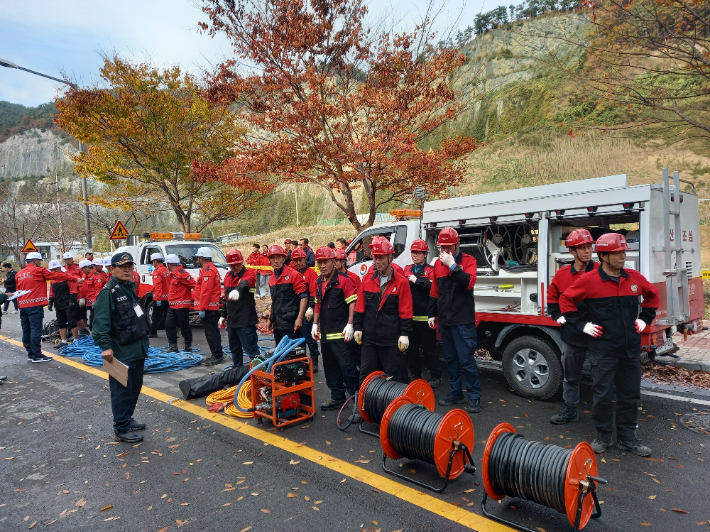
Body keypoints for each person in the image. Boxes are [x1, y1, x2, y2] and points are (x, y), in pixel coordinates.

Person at [560, 232, 659, 456]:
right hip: (603, 351)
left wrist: (645, 319)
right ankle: (604, 435)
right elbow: (565, 300)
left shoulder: (634, 278)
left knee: (630, 395)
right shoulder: (589, 280)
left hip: (630, 350)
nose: (623, 256)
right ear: (603, 255)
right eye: (617, 253)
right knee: (603, 395)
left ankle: (627, 438)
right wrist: (581, 324)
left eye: (624, 252)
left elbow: (652, 296)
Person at [93, 251, 149, 443]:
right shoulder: (108, 293)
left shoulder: (128, 289)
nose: (127, 270)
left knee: (135, 386)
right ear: (112, 269)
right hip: (119, 351)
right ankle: (121, 427)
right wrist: (105, 346)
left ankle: (127, 417)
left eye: (130, 267)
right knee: (121, 390)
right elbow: (100, 323)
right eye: (122, 267)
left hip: (136, 349)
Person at [428, 227, 482, 414]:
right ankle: (456, 392)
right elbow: (435, 291)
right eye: (443, 247)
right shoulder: (437, 265)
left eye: (449, 246)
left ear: (457, 244)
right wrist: (431, 314)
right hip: (446, 320)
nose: (445, 250)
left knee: (466, 359)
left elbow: (469, 283)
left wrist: (453, 266)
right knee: (450, 359)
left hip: (463, 320)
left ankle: (475, 396)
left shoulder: (469, 261)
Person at [546, 229, 597, 425]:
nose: (587, 251)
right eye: (582, 248)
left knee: (602, 377)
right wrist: (557, 315)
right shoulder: (563, 274)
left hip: (597, 335)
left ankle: (604, 414)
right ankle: (569, 410)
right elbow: (552, 298)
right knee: (571, 377)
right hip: (572, 336)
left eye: (589, 247)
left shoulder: (601, 271)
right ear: (572, 252)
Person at [353, 237, 412, 383]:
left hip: (390, 338)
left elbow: (405, 310)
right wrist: (357, 327)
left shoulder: (401, 282)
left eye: (381, 258)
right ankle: (366, 404)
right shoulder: (367, 279)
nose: (378, 261)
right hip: (370, 337)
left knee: (393, 375)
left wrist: (404, 334)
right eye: (375, 258)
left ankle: (395, 404)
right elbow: (360, 305)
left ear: (390, 258)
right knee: (366, 375)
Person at [312, 246, 359, 410]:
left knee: (348, 368)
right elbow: (317, 304)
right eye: (320, 263)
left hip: (341, 335)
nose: (322, 266)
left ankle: (357, 402)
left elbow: (353, 301)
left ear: (333, 262)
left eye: (325, 262)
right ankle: (337, 396)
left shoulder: (344, 280)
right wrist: (315, 324)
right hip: (326, 334)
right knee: (330, 368)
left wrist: (350, 324)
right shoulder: (319, 282)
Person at [16, 252, 82, 362]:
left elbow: (17, 291)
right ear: (36, 261)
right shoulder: (39, 271)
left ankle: (31, 354)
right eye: (40, 261)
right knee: (36, 330)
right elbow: (57, 275)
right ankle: (37, 355)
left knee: (26, 330)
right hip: (35, 306)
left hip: (23, 306)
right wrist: (75, 279)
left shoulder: (19, 274)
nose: (41, 263)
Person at [403, 239, 442, 387]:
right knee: (411, 350)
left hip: (426, 317)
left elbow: (433, 288)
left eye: (418, 252)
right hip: (410, 318)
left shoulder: (431, 270)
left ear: (425, 254)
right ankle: (416, 376)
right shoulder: (406, 269)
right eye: (413, 252)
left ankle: (436, 377)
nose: (415, 255)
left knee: (429, 349)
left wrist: (417, 280)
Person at [219, 249, 259, 366]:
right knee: (235, 350)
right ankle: (238, 373)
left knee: (252, 351)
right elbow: (225, 298)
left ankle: (260, 376)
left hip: (246, 321)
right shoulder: (227, 276)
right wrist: (223, 316)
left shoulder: (249, 272)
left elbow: (248, 281)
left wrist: (238, 289)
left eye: (238, 264)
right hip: (232, 322)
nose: (236, 267)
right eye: (232, 265)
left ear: (242, 262)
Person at [266, 245, 308, 345]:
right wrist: (270, 319)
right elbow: (275, 301)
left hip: (291, 324)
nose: (276, 261)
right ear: (270, 261)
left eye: (278, 258)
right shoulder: (272, 279)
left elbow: (303, 297)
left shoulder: (293, 275)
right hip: (278, 325)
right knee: (281, 355)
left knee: (296, 355)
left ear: (283, 259)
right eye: (273, 258)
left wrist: (299, 318)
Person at [291, 247, 320, 372]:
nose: (298, 263)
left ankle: (314, 362)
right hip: (295, 310)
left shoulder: (311, 273)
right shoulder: (292, 273)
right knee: (298, 338)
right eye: (295, 260)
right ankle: (301, 361)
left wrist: (311, 308)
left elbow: (314, 292)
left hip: (308, 310)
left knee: (309, 337)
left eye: (300, 260)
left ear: (305, 259)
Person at [194, 247, 225, 366]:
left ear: (201, 258)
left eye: (198, 257)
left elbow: (205, 291)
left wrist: (202, 308)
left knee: (211, 332)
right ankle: (215, 354)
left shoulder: (208, 271)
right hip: (209, 307)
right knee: (211, 332)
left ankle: (217, 355)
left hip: (208, 308)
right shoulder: (209, 270)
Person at [165, 254, 196, 353]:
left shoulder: (182, 274)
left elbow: (193, 284)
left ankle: (188, 347)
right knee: (169, 325)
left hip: (181, 306)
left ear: (169, 264)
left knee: (184, 327)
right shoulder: (173, 274)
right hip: (173, 306)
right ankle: (173, 347)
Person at [149, 253, 170, 338]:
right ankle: (171, 331)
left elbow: (157, 285)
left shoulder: (157, 271)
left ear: (155, 261)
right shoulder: (166, 270)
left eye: (152, 262)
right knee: (168, 315)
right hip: (167, 297)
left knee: (155, 316)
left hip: (159, 297)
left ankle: (153, 332)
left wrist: (157, 297)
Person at [63, 252, 83, 334]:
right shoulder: (63, 269)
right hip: (68, 294)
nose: (68, 261)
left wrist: (82, 296)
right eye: (66, 259)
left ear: (72, 259)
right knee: (71, 314)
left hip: (79, 294)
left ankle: (82, 330)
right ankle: (72, 331)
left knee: (79, 314)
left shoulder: (78, 267)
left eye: (69, 259)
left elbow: (83, 280)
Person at [76, 259, 95, 331]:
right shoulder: (85, 276)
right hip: (87, 301)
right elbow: (83, 288)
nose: (81, 271)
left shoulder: (96, 276)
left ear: (86, 267)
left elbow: (98, 290)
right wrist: (81, 298)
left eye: (82, 269)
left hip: (95, 302)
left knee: (93, 322)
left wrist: (95, 301)